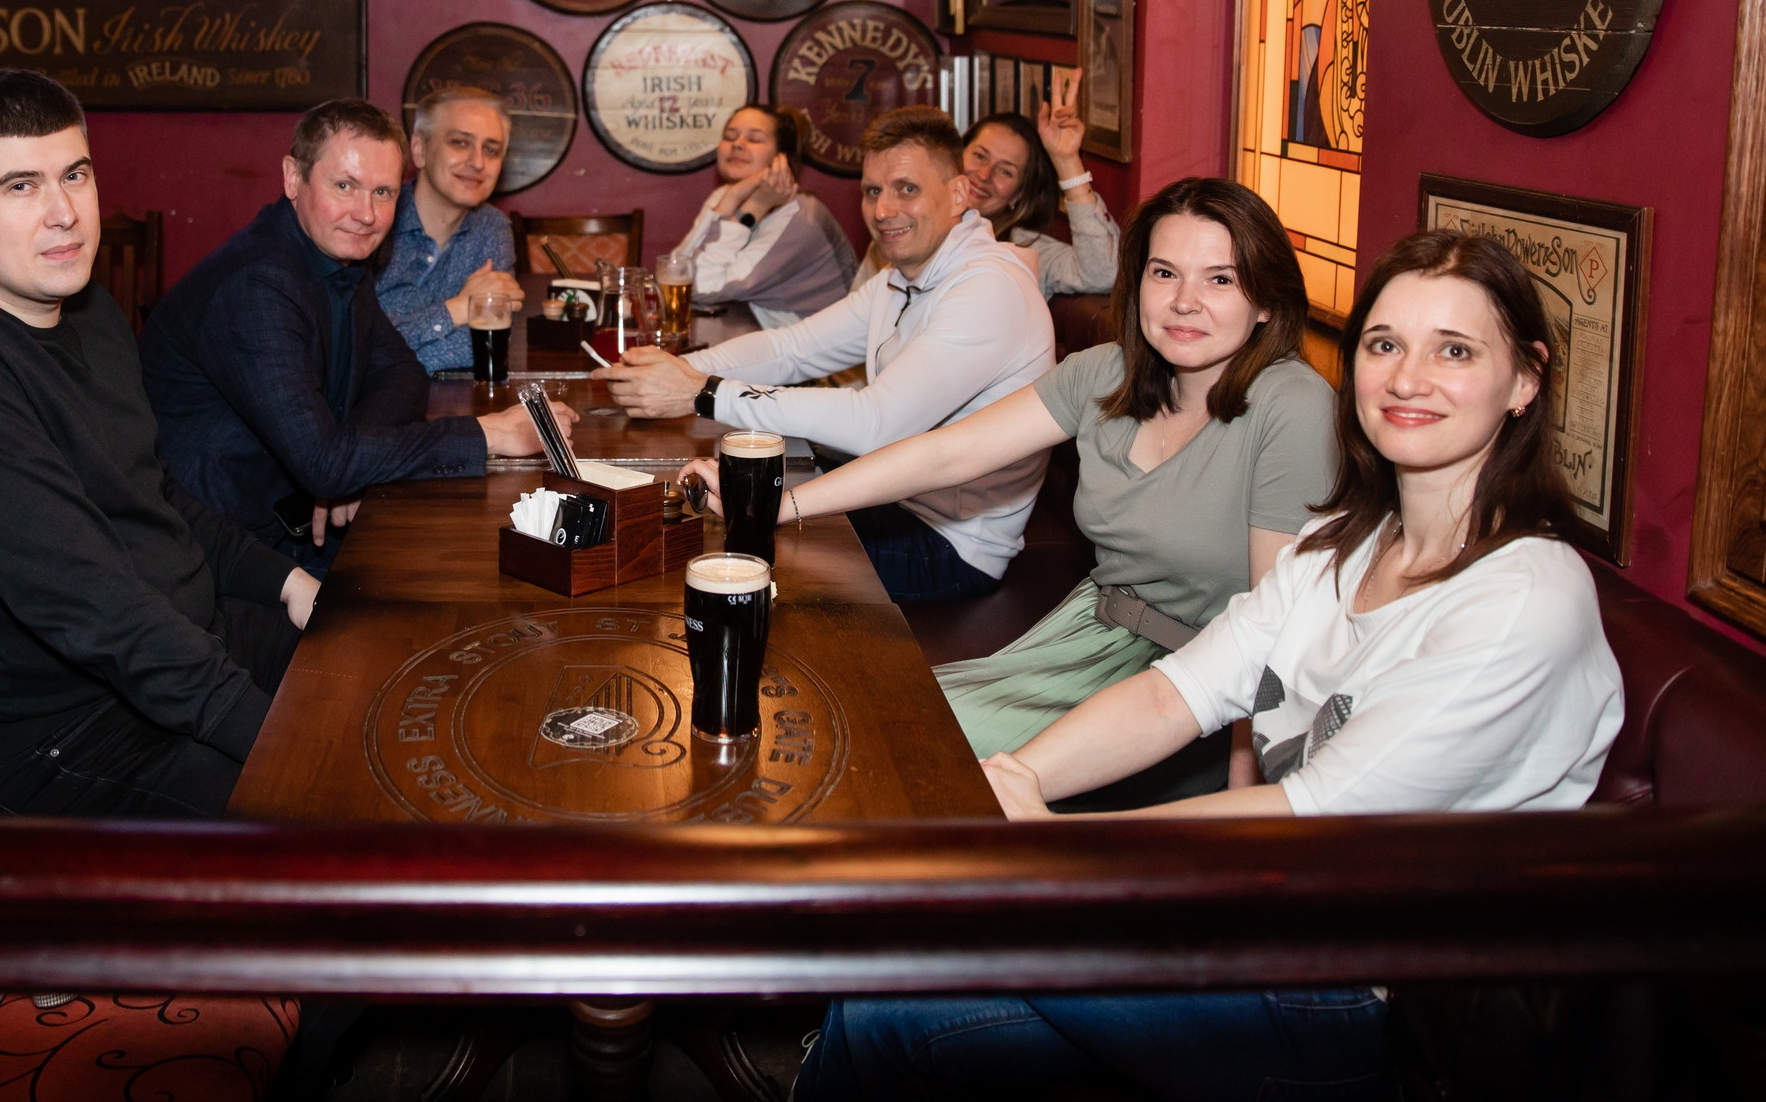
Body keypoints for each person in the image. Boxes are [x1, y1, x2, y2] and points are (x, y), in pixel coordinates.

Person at [790, 228, 1626, 1102]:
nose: (1408, 378)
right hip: (1254, 921)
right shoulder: (1339, 548)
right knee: (884, 1004)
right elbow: (1172, 693)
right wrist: (1017, 775)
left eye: (1453, 350)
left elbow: (1320, 817)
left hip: (1364, 996)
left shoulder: (1526, 596)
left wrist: (1041, 841)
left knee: (921, 930)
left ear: (1525, 378)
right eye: (1385, 345)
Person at [686, 177, 1333, 759]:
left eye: (1219, 279)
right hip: (1086, 634)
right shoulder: (1109, 372)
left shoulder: (1293, 407)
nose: (1185, 301)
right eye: (1165, 274)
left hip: (1195, 683)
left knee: (906, 745)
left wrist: (1251, 794)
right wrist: (779, 508)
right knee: (855, 714)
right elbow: (947, 452)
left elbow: (1269, 632)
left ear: (1267, 300)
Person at [0, 69, 315, 819]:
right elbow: (93, 611)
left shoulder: (87, 308)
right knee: (333, 811)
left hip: (175, 647)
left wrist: (289, 584)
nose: (64, 213)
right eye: (21, 186)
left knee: (375, 679)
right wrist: (285, 744)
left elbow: (152, 493)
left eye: (75, 175)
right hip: (63, 731)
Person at [600, 107, 1053, 601]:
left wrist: (703, 394)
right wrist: (680, 372)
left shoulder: (988, 289)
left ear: (960, 194)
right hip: (891, 499)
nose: (882, 211)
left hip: (949, 546)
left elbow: (876, 421)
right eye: (873, 191)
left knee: (717, 552)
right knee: (697, 513)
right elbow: (791, 347)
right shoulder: (901, 278)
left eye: (907, 189)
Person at [141, 98, 570, 572]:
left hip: (294, 523)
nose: (365, 214)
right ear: (292, 178)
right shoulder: (258, 285)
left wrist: (350, 462)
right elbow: (324, 462)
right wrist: (486, 434)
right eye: (344, 185)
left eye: (384, 193)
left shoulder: (341, 256)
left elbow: (403, 370)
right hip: (216, 558)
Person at [857, 71, 1117, 298]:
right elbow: (850, 330)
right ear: (955, 157)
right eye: (979, 155)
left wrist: (1067, 161)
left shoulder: (1024, 251)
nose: (983, 174)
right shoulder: (899, 228)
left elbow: (1102, 272)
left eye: (1006, 171)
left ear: (1018, 195)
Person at [663, 104, 855, 327]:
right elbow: (675, 269)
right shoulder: (725, 195)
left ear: (781, 159)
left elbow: (699, 287)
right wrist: (733, 198)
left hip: (818, 352)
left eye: (754, 139)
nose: (737, 144)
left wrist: (754, 207)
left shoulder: (800, 217)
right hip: (759, 336)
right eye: (729, 136)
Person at [375, 86, 522, 373]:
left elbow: (484, 348)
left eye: (490, 150)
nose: (477, 162)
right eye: (459, 142)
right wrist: (459, 308)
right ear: (419, 149)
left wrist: (391, 352)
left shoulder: (492, 229)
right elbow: (354, 349)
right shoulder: (374, 219)